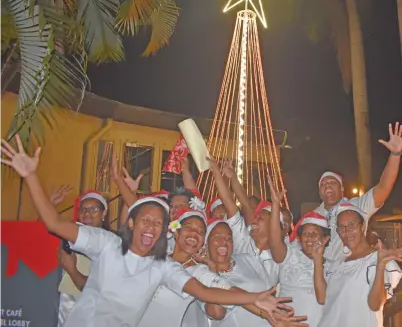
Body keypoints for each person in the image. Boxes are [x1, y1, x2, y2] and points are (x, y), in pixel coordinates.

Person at [0, 135, 298, 327]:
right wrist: (30, 176)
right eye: (146, 220)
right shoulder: (105, 243)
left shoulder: (165, 268)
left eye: (158, 223)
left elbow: (210, 291)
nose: (152, 227)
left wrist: (256, 300)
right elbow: (53, 223)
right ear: (131, 222)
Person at [314, 122, 402, 263]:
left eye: (332, 182)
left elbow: (383, 188)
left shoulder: (356, 206)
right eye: (323, 184)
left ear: (342, 189)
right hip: (325, 278)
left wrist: (395, 154)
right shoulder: (314, 216)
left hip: (353, 272)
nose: (327, 186)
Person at [199, 219, 306, 327]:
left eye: (229, 238)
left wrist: (280, 318)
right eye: (217, 237)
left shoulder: (248, 259)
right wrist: (213, 271)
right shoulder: (202, 275)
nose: (224, 242)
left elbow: (269, 294)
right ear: (206, 244)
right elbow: (217, 313)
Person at [316, 203, 402, 327]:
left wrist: (380, 265)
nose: (347, 231)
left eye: (351, 225)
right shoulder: (338, 263)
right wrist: (317, 258)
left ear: (362, 226)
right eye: (341, 227)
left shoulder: (376, 259)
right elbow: (322, 298)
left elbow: (375, 305)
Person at [138, 208, 225, 327]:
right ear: (176, 232)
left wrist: (214, 270)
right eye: (188, 228)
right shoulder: (155, 258)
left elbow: (217, 312)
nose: (194, 233)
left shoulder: (200, 271)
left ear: (203, 241)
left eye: (200, 232)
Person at [207, 157, 283, 286]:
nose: (254, 220)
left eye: (260, 218)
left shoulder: (281, 256)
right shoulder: (242, 238)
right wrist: (217, 172)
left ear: (274, 225)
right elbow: (231, 204)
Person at [268, 180, 330, 327]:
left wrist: (317, 260)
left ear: (324, 238)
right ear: (299, 238)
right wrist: (275, 205)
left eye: (315, 233)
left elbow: (323, 298)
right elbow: (274, 241)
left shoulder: (332, 263)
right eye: (306, 233)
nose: (309, 237)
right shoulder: (289, 253)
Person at [55, 188, 109, 326]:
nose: (87, 214)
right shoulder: (70, 234)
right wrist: (51, 204)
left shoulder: (111, 243)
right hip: (65, 302)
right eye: (83, 210)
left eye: (93, 209)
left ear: (104, 213)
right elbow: (39, 235)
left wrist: (72, 269)